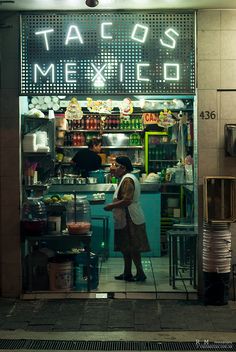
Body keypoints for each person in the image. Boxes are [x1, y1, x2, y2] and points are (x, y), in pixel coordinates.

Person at [104, 156, 150, 282]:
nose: (113, 167)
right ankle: (127, 273)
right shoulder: (124, 178)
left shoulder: (128, 180)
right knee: (126, 247)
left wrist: (110, 206)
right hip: (125, 217)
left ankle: (140, 273)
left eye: (116, 165)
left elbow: (127, 200)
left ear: (123, 168)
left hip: (130, 217)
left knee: (133, 247)